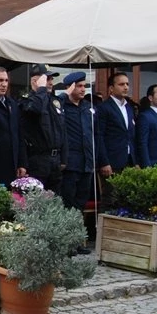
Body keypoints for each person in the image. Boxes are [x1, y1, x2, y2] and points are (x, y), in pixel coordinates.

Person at [19, 65, 65, 192]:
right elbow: (36, 109)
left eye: (51, 79)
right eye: (47, 79)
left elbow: (61, 130)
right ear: (35, 81)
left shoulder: (54, 101)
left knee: (55, 200)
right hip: (38, 159)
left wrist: (63, 158)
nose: (50, 82)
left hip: (55, 159)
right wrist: (41, 89)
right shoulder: (28, 100)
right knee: (37, 200)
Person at [57, 72, 95, 213]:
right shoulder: (61, 104)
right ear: (70, 87)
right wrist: (65, 94)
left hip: (87, 163)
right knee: (68, 201)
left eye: (84, 86)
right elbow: (53, 103)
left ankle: (79, 231)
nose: (83, 89)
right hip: (70, 164)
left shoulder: (87, 107)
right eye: (79, 86)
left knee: (81, 202)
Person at [95, 71, 136, 178]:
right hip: (112, 162)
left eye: (127, 84)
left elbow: (131, 135)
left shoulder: (129, 107)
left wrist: (136, 160)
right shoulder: (104, 108)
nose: (126, 87)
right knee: (112, 194)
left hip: (129, 161)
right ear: (111, 88)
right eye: (121, 84)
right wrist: (104, 162)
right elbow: (99, 136)